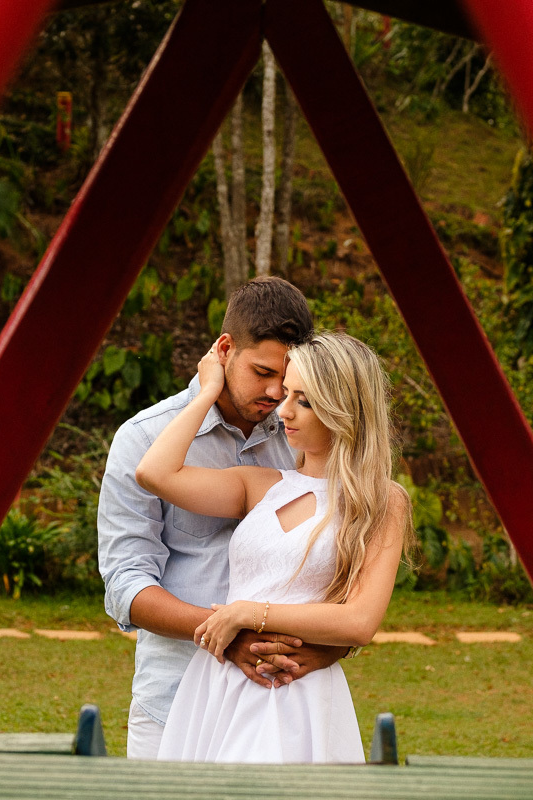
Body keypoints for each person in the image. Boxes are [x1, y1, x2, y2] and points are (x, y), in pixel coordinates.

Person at [98, 277, 347, 760]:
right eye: (261, 371)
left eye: (288, 376)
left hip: (285, 703)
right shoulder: (144, 438)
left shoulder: (303, 438)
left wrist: (328, 650)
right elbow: (126, 584)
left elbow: (343, 570)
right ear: (225, 348)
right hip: (171, 699)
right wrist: (225, 636)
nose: (276, 392)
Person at [136, 332, 411, 763]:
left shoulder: (382, 501)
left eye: (303, 399)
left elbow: (360, 622)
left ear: (344, 409)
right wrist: (208, 390)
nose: (283, 410)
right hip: (218, 686)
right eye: (287, 394)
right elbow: (154, 473)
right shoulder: (261, 485)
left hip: (299, 695)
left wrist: (249, 613)